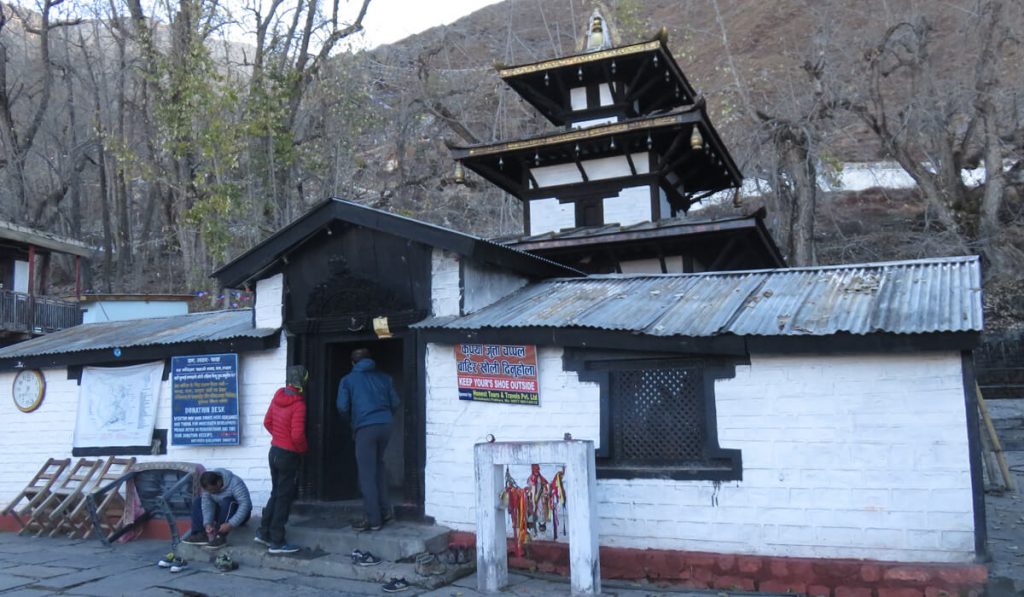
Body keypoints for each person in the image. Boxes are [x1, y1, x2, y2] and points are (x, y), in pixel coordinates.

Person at [336, 347, 399, 532]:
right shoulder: (385, 378)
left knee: (366, 474)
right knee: (378, 467)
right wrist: (385, 416)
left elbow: (341, 406)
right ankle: (386, 512)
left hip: (365, 427)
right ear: (370, 360)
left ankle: (374, 520)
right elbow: (395, 402)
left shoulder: (348, 380)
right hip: (386, 425)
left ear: (353, 362)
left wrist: (353, 421)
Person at [255, 365, 309, 554]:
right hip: (288, 455)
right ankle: (277, 541)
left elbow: (267, 422)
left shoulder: (277, 397)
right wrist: (302, 450)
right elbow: (297, 435)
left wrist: (278, 438)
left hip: (275, 451)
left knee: (276, 493)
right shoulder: (298, 404)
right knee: (284, 497)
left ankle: (263, 532)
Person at [181, 469, 252, 549]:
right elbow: (207, 504)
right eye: (208, 491)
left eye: (212, 490)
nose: (210, 492)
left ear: (218, 482)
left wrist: (231, 524)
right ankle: (201, 534)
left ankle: (220, 537)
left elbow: (245, 505)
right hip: (222, 511)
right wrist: (207, 523)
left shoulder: (235, 483)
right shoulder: (208, 486)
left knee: (228, 501)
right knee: (198, 501)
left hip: (240, 515)